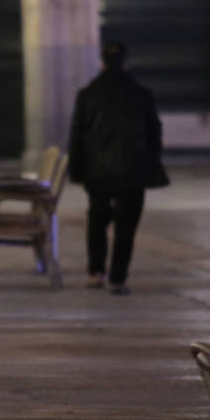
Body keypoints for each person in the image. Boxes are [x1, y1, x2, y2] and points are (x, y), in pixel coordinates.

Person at [67, 41, 167, 295]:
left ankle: (95, 272)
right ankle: (118, 279)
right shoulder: (142, 94)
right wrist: (151, 166)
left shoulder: (88, 94)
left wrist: (77, 171)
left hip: (97, 170)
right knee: (126, 227)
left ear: (101, 63)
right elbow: (154, 134)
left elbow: (77, 136)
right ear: (125, 63)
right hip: (133, 171)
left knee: (97, 220)